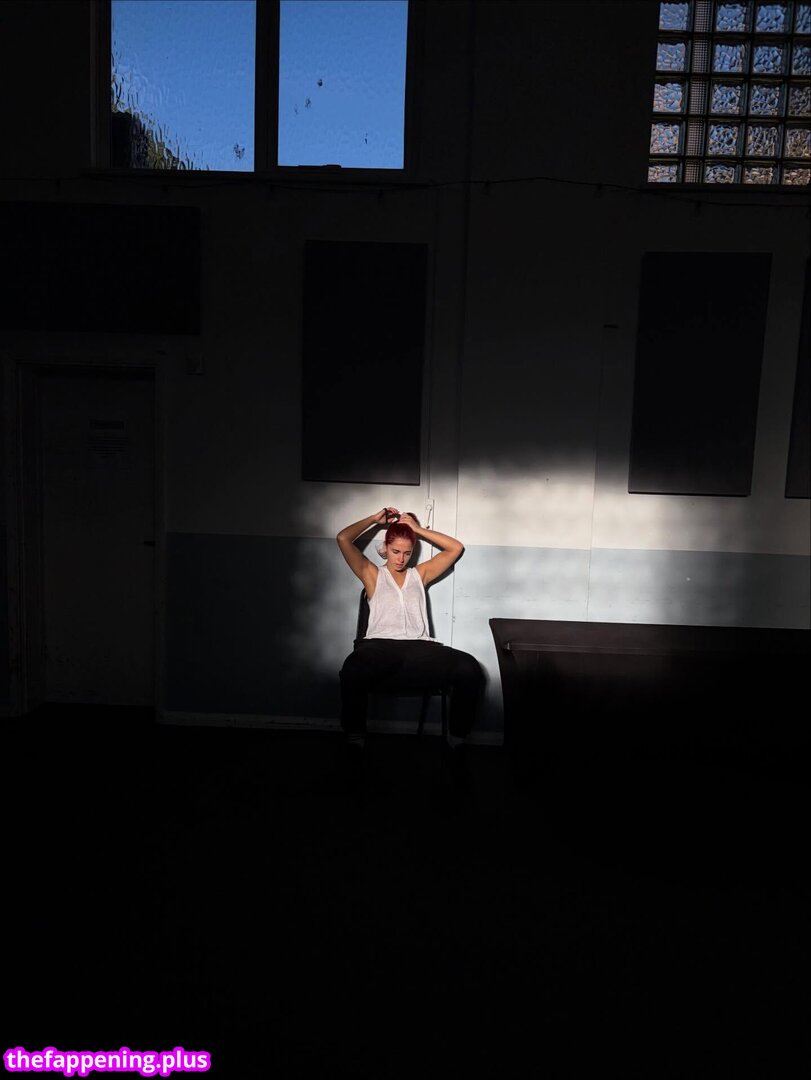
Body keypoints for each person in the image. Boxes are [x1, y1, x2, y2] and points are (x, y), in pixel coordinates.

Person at [336, 506, 485, 777]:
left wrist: (417, 529)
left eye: (407, 552)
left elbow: (456, 548)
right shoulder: (372, 574)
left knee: (470, 669)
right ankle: (355, 740)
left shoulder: (420, 574)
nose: (401, 558)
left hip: (420, 648)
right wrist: (374, 519)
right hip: (379, 646)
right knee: (353, 669)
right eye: (396, 551)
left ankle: (456, 741)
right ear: (386, 548)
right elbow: (343, 538)